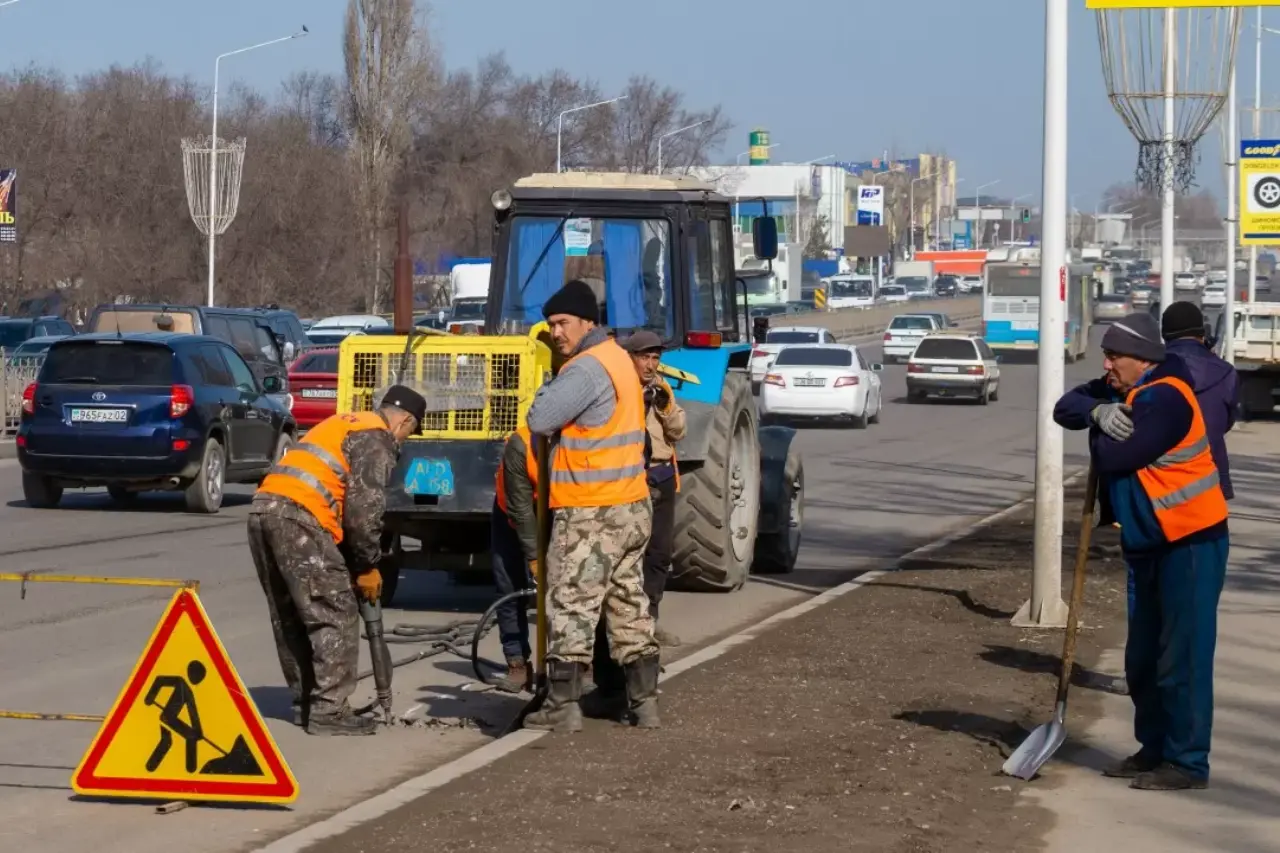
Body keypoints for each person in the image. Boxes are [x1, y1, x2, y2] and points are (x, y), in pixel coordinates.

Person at [1053, 313, 1229, 791]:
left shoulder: (1168, 399)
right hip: (1148, 543)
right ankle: (1154, 749)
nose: (1106, 364)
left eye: (1114, 356)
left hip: (1190, 542)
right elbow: (1064, 406)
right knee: (1143, 658)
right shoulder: (1129, 390)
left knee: (1182, 657)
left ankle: (1188, 761)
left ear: (1144, 359)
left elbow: (1115, 457)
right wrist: (1094, 412)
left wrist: (1097, 424)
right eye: (1106, 355)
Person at [247, 385, 427, 736]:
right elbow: (364, 513)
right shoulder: (376, 436)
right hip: (298, 517)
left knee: (292, 615)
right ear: (404, 420)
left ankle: (306, 702)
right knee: (336, 610)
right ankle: (328, 709)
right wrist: (367, 567)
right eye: (410, 431)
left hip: (262, 511)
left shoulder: (343, 423)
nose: (405, 440)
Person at [522, 279, 661, 733]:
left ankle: (562, 705)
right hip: (631, 505)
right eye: (550, 325)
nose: (556, 332)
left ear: (587, 321)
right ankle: (642, 702)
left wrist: (546, 388)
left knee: (570, 603)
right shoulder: (621, 359)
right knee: (628, 604)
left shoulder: (584, 369)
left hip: (590, 509)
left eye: (562, 323)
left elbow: (540, 419)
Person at [1161, 301, 1240, 501]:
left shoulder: (1152, 369)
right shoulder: (1226, 372)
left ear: (1164, 335)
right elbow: (1226, 422)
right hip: (1210, 476)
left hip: (1162, 480)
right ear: (1202, 333)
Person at [490, 424, 539, 693]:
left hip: (556, 509)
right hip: (511, 509)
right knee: (508, 585)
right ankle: (517, 662)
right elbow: (520, 510)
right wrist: (535, 559)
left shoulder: (574, 441)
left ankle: (573, 664)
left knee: (566, 589)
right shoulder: (521, 445)